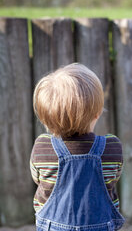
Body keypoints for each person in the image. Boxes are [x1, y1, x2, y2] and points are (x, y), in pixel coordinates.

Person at [30, 63, 125, 231]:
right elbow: (115, 176)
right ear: (97, 113)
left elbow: (37, 177)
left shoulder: (42, 146)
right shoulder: (112, 147)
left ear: (45, 119)